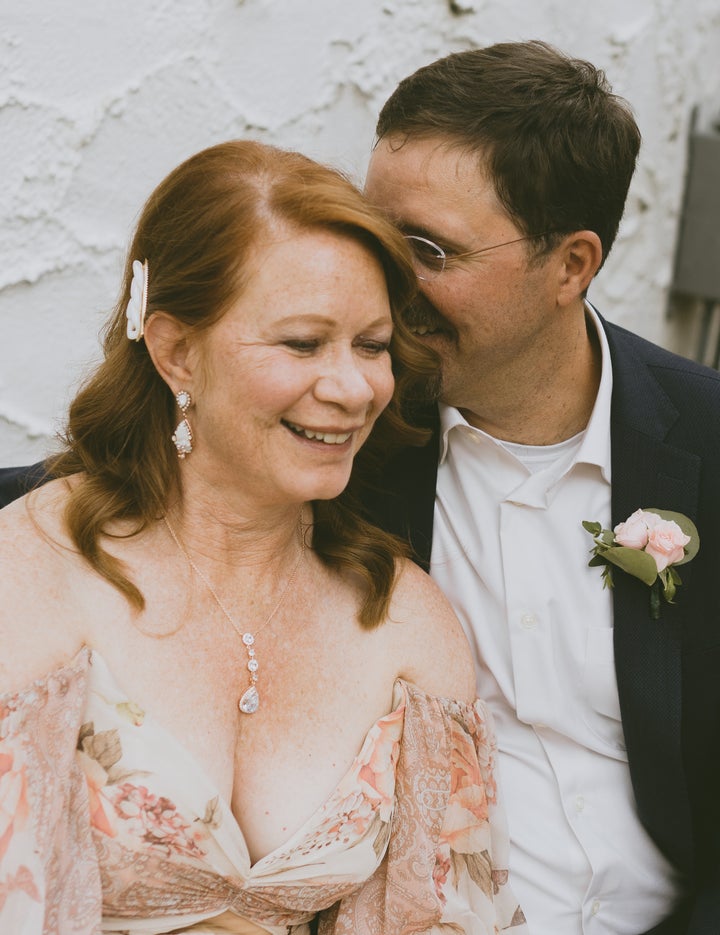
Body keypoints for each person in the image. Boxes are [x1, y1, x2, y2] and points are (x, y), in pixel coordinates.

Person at [0, 141, 528, 933]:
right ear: (176, 349)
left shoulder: (406, 622)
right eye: (302, 343)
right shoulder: (33, 570)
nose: (352, 388)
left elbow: (442, 914)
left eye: (373, 346)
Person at [358, 41, 720, 935]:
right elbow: (158, 478)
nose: (384, 280)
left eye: (427, 249)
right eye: (372, 235)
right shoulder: (347, 433)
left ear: (571, 265)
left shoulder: (706, 440)